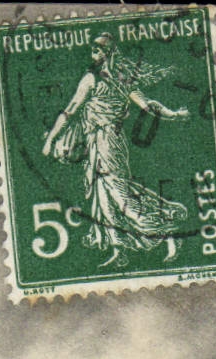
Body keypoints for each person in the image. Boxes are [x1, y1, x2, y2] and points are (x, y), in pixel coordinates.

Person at [41, 33, 191, 267]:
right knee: (102, 197)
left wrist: (173, 114)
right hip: (95, 142)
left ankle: (168, 233)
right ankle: (118, 248)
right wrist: (51, 139)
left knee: (120, 195)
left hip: (109, 142)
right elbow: (70, 110)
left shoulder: (116, 80)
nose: (94, 53)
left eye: (98, 49)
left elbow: (147, 104)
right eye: (93, 49)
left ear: (109, 54)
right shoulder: (93, 78)